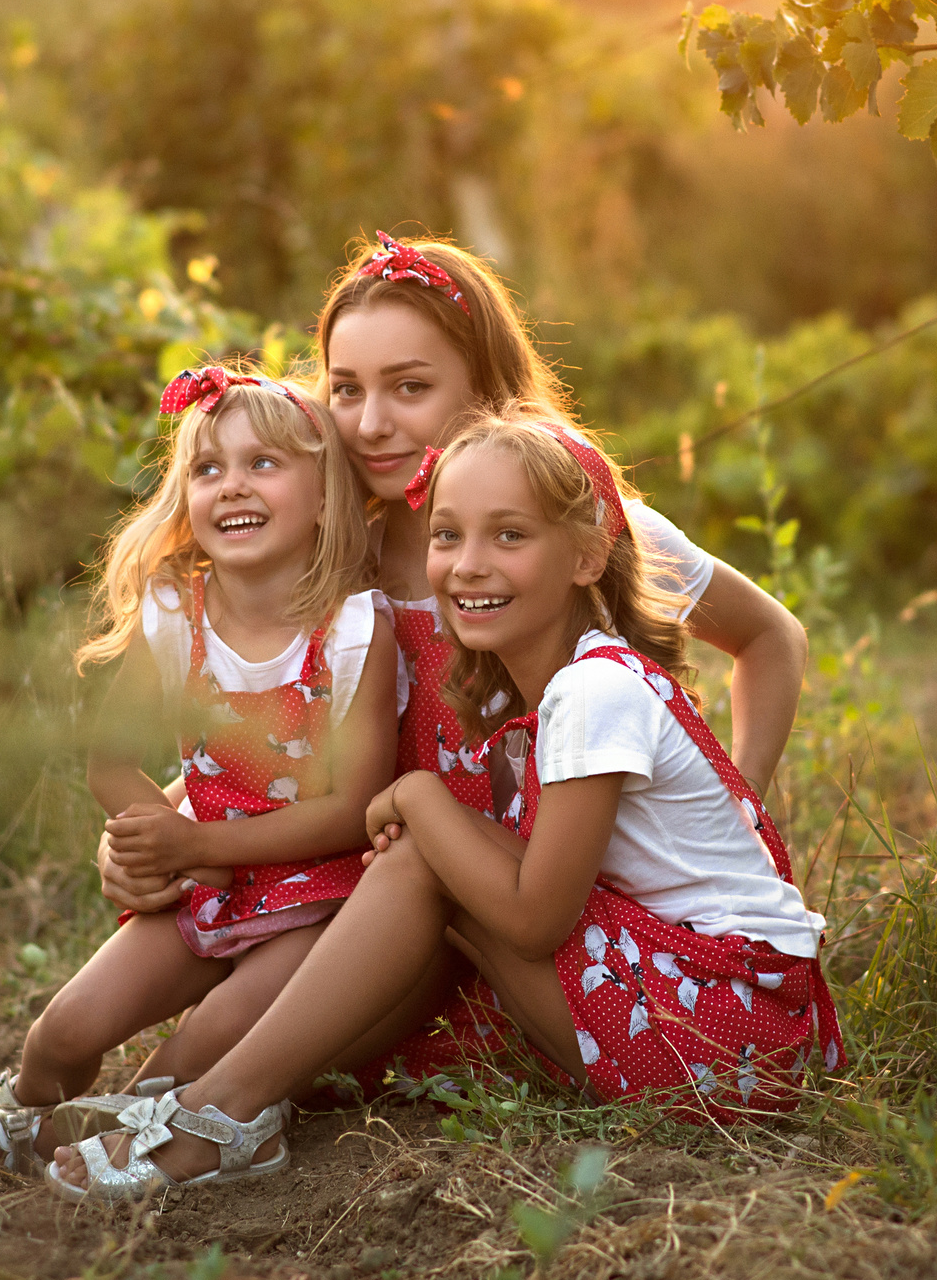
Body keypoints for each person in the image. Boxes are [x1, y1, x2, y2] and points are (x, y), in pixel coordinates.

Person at [55, 413, 841, 1200]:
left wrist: (419, 796)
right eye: (447, 536)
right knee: (430, 866)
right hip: (708, 1014)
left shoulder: (596, 689)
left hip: (732, 1027)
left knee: (429, 852)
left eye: (508, 537)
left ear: (588, 554)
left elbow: (536, 918)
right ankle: (215, 1099)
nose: (468, 566)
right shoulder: (554, 688)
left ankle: (215, 1114)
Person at [97, 231, 810, 1086]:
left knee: (237, 1048)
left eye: (411, 387)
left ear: (486, 388)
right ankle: (160, 1108)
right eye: (348, 388)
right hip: (384, 907)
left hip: (536, 915)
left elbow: (772, 638)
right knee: (216, 1034)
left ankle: (195, 1110)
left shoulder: (557, 525)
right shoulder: (326, 548)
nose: (371, 422)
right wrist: (172, 830)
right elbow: (279, 723)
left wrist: (730, 824)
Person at [0, 364, 396, 1174]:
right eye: (208, 469)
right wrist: (152, 840)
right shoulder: (176, 610)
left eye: (263, 463)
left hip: (319, 896)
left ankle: (119, 1129)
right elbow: (110, 761)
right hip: (203, 878)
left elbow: (354, 807)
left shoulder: (350, 627)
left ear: (326, 493)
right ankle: (27, 1105)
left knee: (202, 1043)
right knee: (61, 1029)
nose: (231, 485)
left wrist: (195, 845)